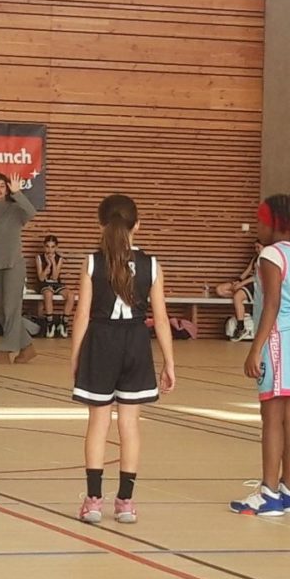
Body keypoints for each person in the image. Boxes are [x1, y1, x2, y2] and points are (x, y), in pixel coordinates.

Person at [69, 194, 175, 525]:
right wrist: (169, 362)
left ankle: (93, 501)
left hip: (101, 341)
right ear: (137, 225)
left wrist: (76, 356)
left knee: (98, 424)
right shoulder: (151, 264)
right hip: (136, 342)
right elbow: (161, 318)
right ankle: (125, 502)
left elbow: (82, 315)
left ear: (100, 225)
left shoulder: (92, 262)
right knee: (129, 425)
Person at [231, 194, 290, 517]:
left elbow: (272, 304)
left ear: (274, 223)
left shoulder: (270, 254)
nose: (258, 226)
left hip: (280, 335)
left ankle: (268, 493)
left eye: (261, 221)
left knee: (271, 416)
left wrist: (255, 348)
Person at [0, 172, 37, 364]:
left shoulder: (15, 208)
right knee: (3, 312)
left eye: (2, 186)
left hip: (13, 265)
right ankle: (27, 348)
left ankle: (4, 351)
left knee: (11, 310)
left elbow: (31, 212)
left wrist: (18, 193)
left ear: (7, 189)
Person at [214, 240, 264, 341]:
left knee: (237, 297)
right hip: (246, 282)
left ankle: (241, 328)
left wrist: (241, 284)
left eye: (258, 247)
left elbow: (256, 277)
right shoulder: (255, 258)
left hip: (255, 284)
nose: (256, 250)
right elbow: (247, 272)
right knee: (220, 289)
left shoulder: (266, 260)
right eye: (255, 247)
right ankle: (239, 296)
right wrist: (238, 281)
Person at [36, 235, 66, 337]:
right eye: (47, 246)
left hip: (56, 283)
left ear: (56, 247)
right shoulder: (39, 258)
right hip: (44, 284)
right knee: (48, 294)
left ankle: (64, 323)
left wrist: (53, 262)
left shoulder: (59, 258)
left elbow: (55, 277)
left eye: (52, 247)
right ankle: (50, 322)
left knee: (70, 296)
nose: (50, 250)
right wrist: (48, 265)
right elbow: (41, 278)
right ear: (44, 247)